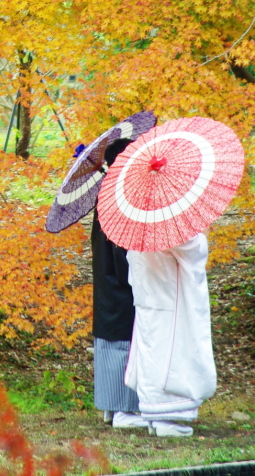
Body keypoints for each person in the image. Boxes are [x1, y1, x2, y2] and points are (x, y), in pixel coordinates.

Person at [124, 232, 217, 437]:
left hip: (148, 299)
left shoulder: (136, 227)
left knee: (151, 352)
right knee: (170, 354)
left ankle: (153, 414)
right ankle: (167, 416)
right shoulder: (169, 225)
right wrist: (201, 234)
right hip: (170, 298)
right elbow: (194, 250)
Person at [91, 139, 147, 430]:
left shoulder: (107, 193)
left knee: (111, 343)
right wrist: (138, 273)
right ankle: (124, 408)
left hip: (105, 281)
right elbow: (121, 249)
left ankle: (111, 407)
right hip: (119, 282)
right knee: (123, 344)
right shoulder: (120, 197)